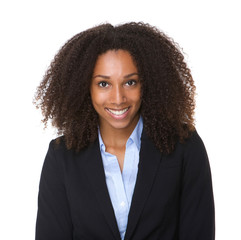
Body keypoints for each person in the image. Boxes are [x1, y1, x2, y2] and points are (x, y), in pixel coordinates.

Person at [34, 22, 215, 240]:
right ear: (85, 87)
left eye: (130, 82)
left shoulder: (184, 147)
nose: (118, 98)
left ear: (147, 83)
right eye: (103, 84)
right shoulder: (62, 157)